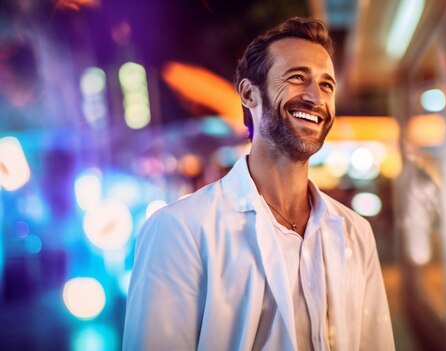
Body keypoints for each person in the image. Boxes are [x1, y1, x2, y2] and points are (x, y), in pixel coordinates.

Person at [123, 17, 394, 351]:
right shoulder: (180, 230)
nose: (315, 97)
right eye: (297, 77)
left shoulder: (355, 233)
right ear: (250, 94)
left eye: (327, 86)